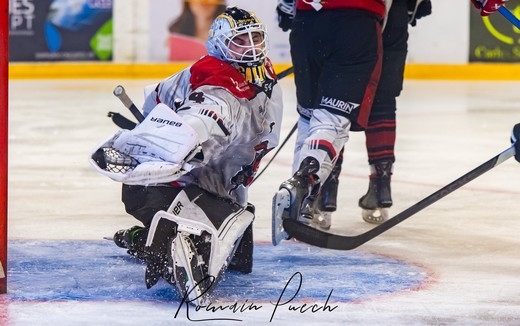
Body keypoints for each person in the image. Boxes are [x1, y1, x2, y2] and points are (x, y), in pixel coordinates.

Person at [89, 6, 283, 305]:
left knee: (236, 243)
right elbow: (203, 115)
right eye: (240, 41)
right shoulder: (219, 87)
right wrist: (175, 136)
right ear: (220, 44)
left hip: (209, 188)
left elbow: (155, 96)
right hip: (163, 187)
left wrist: (152, 123)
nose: (251, 47)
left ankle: (140, 239)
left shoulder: (259, 75)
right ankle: (165, 251)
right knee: (210, 238)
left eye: (255, 37)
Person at [271, 0, 385, 240]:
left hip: (308, 24)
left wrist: (286, 4)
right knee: (330, 120)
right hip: (356, 25)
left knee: (308, 118)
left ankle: (297, 204)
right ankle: (305, 181)